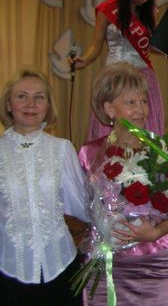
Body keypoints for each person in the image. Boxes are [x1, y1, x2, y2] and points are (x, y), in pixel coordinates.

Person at [78, 62, 168, 306]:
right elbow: (81, 206)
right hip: (107, 261)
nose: (140, 110)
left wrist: (155, 232)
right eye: (130, 102)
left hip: (153, 261)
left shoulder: (160, 151)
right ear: (109, 109)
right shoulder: (89, 153)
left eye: (143, 101)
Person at [73, 0, 168, 141]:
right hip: (115, 77)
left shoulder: (150, 11)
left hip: (143, 75)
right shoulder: (107, 9)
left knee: (145, 121)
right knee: (112, 123)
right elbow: (96, 45)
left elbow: (151, 47)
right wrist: (84, 59)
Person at [0, 68, 90, 306]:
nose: (31, 104)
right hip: (7, 270)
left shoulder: (62, 148)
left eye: (39, 97)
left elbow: (83, 205)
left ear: (48, 106)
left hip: (60, 266)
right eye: (22, 96)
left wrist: (116, 205)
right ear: (8, 104)